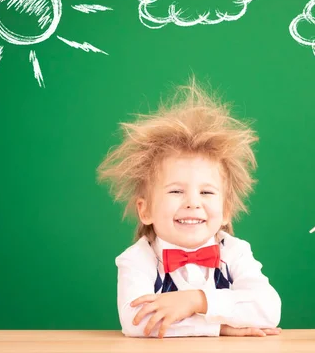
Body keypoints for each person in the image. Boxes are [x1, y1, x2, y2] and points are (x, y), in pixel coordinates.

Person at [97, 79, 282, 338]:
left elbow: (268, 309)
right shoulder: (138, 258)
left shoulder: (235, 252)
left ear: (226, 209)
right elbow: (137, 323)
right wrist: (220, 327)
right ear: (145, 210)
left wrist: (197, 300)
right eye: (175, 191)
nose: (193, 203)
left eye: (206, 192)